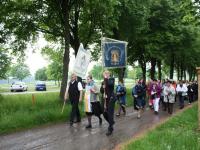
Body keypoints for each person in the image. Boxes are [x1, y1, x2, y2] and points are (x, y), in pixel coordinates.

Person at [102, 70, 116, 136]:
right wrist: (102, 87)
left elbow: (110, 85)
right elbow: (101, 91)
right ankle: (111, 122)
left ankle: (110, 128)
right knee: (104, 113)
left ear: (109, 74)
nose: (106, 74)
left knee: (110, 114)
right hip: (105, 100)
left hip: (111, 99)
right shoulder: (104, 81)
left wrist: (105, 79)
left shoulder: (111, 79)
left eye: (107, 73)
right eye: (105, 73)